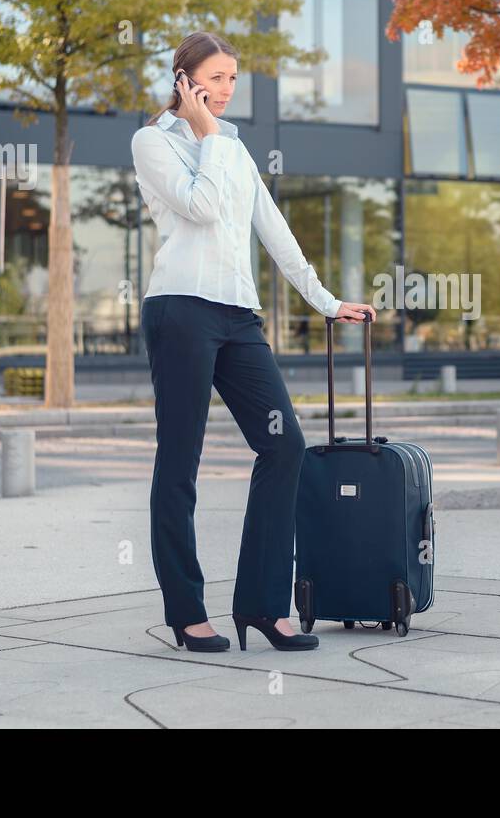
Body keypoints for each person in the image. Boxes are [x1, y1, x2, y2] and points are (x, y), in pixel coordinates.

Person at [131, 32, 377, 653]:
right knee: (179, 463)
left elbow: (274, 231)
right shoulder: (153, 142)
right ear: (185, 81)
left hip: (239, 317)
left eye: (234, 79)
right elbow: (202, 207)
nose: (227, 89)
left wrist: (325, 300)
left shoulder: (235, 150)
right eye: (216, 78)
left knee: (284, 447)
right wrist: (208, 136)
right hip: (180, 310)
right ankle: (186, 612)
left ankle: (264, 605)